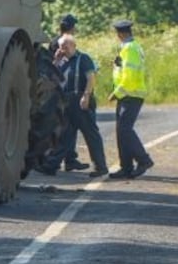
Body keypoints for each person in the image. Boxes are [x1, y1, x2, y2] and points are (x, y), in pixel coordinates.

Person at [35, 34, 109, 177]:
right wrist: (55, 60)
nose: (63, 49)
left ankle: (101, 167)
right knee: (65, 136)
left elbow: (91, 78)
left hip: (80, 100)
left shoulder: (83, 59)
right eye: (61, 46)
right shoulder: (62, 61)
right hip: (66, 103)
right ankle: (51, 165)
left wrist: (86, 96)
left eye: (66, 46)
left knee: (90, 134)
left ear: (74, 46)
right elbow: (50, 77)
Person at [108, 20, 154, 179]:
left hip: (131, 93)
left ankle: (143, 160)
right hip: (129, 93)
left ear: (120, 34)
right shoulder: (131, 47)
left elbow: (130, 75)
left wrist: (117, 92)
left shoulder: (129, 49)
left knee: (125, 129)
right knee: (121, 131)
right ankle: (126, 167)